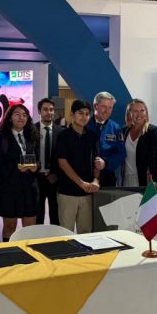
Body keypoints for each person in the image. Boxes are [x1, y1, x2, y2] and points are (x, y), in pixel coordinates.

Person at [0, 105, 39, 241]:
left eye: (24, 115)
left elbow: (38, 159)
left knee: (30, 227)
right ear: (10, 117)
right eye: (17, 114)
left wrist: (36, 167)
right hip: (9, 189)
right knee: (10, 226)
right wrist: (16, 168)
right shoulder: (1, 138)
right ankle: (9, 251)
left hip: (29, 188)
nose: (21, 117)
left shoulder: (32, 136)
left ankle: (29, 252)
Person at [56, 100, 103, 233]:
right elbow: (62, 163)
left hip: (87, 193)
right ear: (72, 114)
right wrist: (81, 183)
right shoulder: (63, 136)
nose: (84, 117)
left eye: (87, 114)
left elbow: (97, 161)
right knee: (66, 233)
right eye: (80, 113)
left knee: (86, 233)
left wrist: (95, 180)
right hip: (67, 193)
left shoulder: (92, 136)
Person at [34, 98, 64, 225]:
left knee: (56, 215)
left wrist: (56, 174)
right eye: (45, 109)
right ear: (39, 111)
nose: (49, 112)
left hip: (55, 179)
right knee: (38, 216)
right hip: (36, 178)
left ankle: (55, 237)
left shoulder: (61, 132)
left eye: (51, 110)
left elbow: (63, 157)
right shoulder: (31, 130)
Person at [86, 92, 125, 187]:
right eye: (104, 106)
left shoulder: (116, 128)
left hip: (107, 177)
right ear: (95, 106)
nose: (107, 111)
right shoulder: (84, 125)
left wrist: (106, 163)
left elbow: (121, 153)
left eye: (110, 107)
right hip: (85, 177)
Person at [121, 99, 157, 187]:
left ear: (146, 112)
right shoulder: (124, 130)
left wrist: (153, 176)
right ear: (129, 113)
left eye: (142, 110)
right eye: (135, 111)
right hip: (125, 178)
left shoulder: (152, 131)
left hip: (144, 178)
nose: (139, 114)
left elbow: (154, 156)